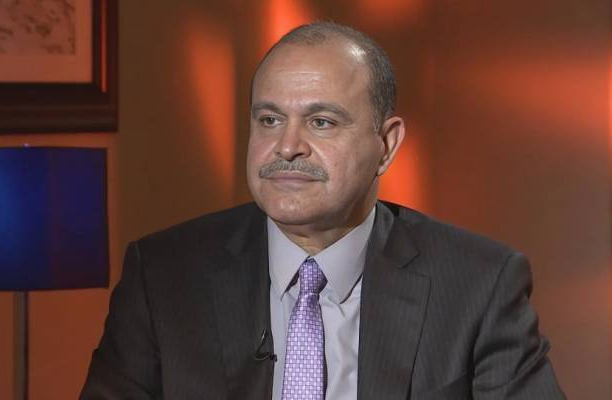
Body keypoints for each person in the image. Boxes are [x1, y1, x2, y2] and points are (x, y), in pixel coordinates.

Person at [81, 22, 565, 400]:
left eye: (321, 122)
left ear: (386, 145)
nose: (286, 146)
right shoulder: (162, 275)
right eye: (270, 119)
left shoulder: (478, 284)